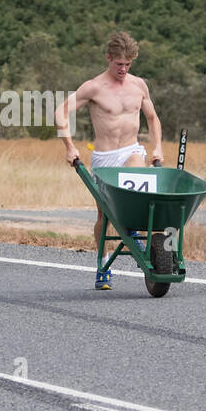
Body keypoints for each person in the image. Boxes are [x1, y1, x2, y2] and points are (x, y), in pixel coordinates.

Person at [56, 31, 163, 289]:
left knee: (135, 194)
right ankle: (103, 265)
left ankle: (134, 236)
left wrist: (157, 147)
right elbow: (61, 111)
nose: (123, 69)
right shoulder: (94, 87)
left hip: (131, 150)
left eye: (128, 64)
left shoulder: (139, 85)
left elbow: (152, 118)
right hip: (104, 157)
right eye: (119, 64)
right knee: (104, 217)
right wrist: (69, 147)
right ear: (108, 58)